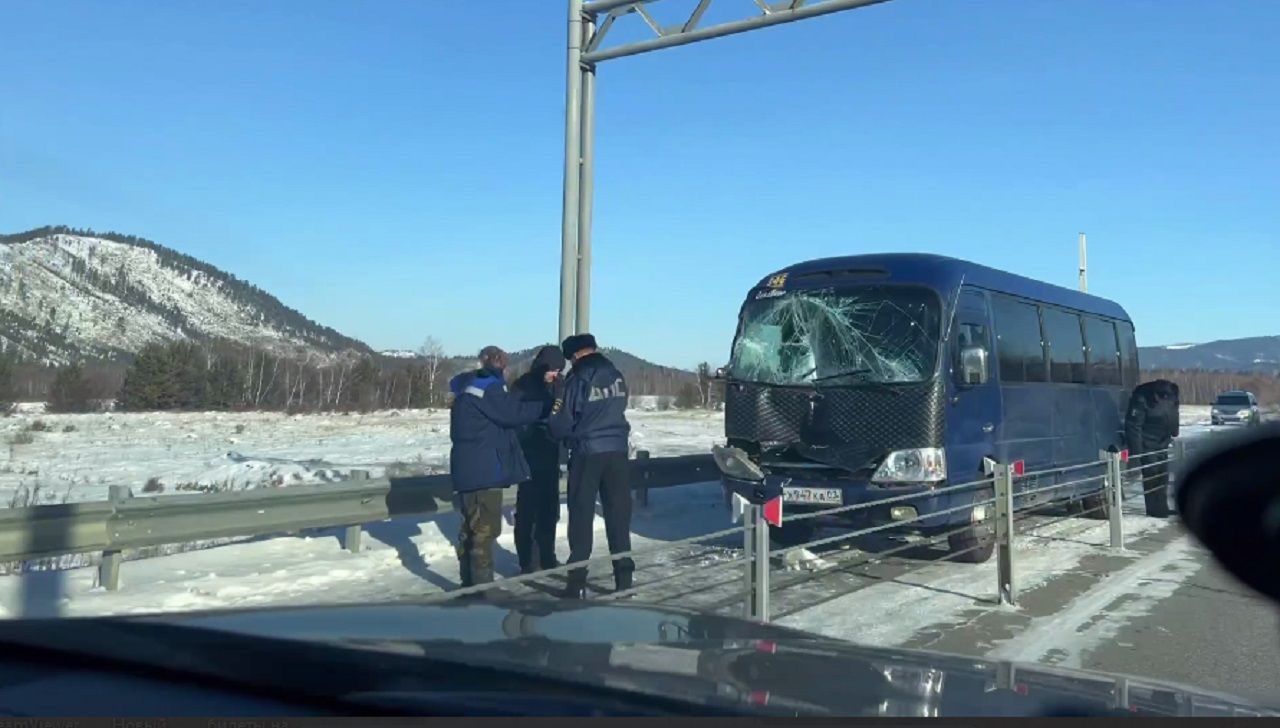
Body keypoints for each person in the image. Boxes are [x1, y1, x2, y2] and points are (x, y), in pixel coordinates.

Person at [448, 346, 553, 588]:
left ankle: (468, 586)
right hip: (485, 469)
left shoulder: (466, 387)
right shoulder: (488, 388)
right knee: (485, 531)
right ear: (499, 364)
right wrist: (547, 406)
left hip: (465, 468)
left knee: (469, 530)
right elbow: (511, 413)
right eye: (504, 364)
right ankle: (482, 589)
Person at [548, 333, 634, 599]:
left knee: (581, 519)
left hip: (588, 452)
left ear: (575, 355)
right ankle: (624, 582)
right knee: (619, 518)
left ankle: (577, 584)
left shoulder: (578, 378)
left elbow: (562, 421)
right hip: (618, 451)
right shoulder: (616, 374)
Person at [512, 345, 568, 574]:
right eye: (552, 370)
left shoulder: (560, 386)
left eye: (558, 370)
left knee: (549, 511)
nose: (555, 374)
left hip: (551, 455)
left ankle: (547, 556)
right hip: (528, 456)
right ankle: (527, 561)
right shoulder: (523, 386)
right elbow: (514, 417)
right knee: (527, 512)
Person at [1124, 379, 1181, 518]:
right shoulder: (1142, 397)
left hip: (1163, 442)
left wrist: (1174, 431)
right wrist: (1136, 452)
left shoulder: (1171, 395)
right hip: (1147, 443)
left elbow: (1174, 415)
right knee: (1151, 475)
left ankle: (1162, 506)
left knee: (1163, 476)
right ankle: (1154, 509)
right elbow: (1133, 426)